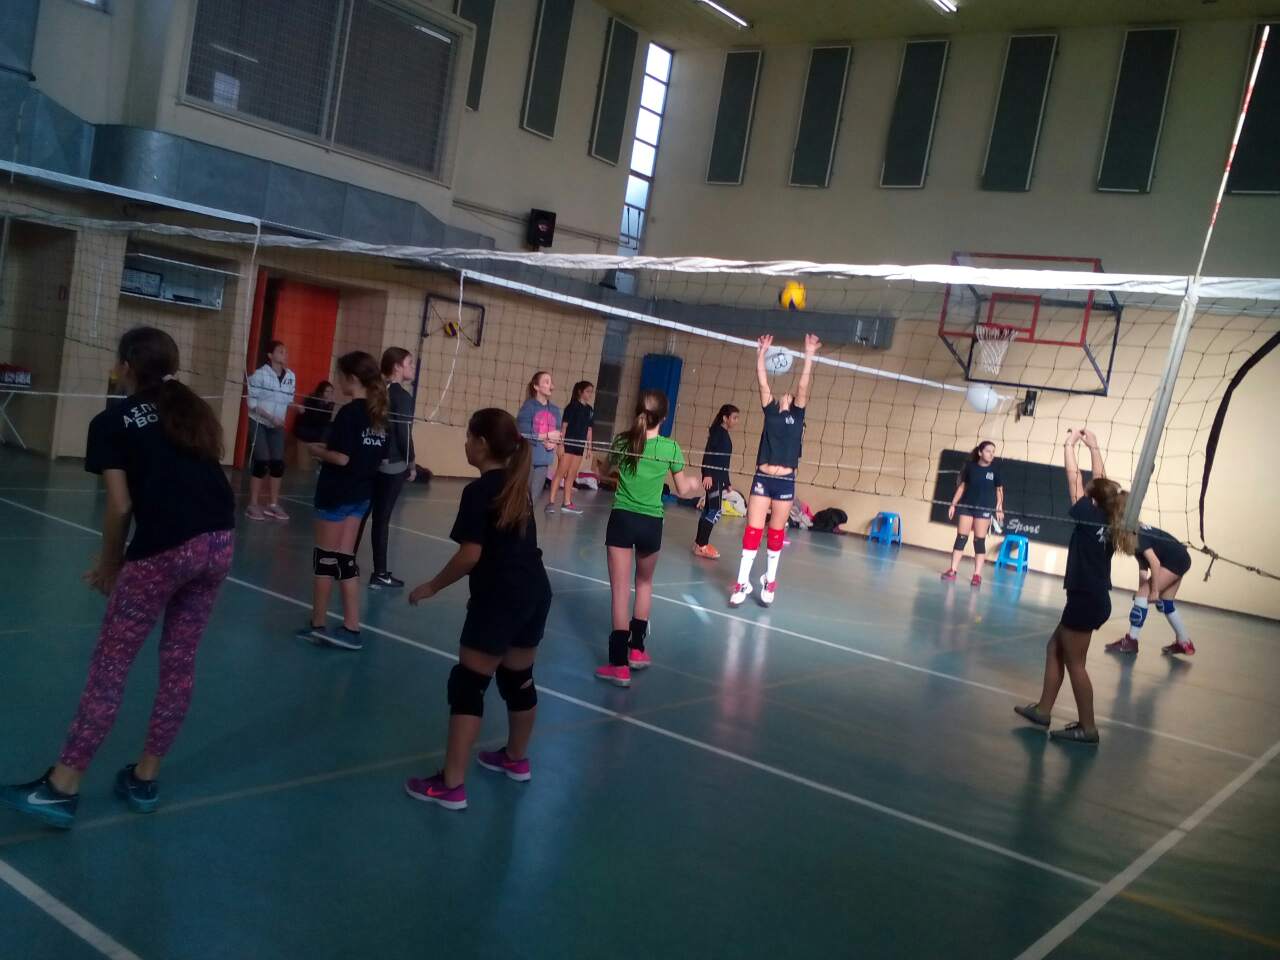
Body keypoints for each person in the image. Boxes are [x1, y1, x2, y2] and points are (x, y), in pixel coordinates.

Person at [0, 327, 235, 828]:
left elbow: (121, 505)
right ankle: (144, 778)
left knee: (112, 664)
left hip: (166, 548)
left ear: (125, 366)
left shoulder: (111, 421)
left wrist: (111, 564)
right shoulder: (191, 407)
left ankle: (62, 787)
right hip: (219, 541)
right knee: (179, 663)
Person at [404, 409, 552, 811]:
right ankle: (516, 759)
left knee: (468, 685)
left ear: (482, 444)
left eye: (469, 437)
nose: (465, 444)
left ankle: (451, 785)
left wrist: (432, 586)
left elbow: (471, 555)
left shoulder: (479, 491)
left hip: (500, 597)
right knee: (519, 680)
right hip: (534, 592)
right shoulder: (517, 486)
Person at [1016, 428, 1135, 744]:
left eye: (1088, 492)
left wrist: (1069, 445)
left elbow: (1073, 480)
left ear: (1092, 499)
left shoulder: (1087, 515)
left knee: (1076, 664)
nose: (1083, 491)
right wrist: (1093, 447)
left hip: (1085, 599)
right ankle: (1043, 710)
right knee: (1054, 648)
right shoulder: (1109, 517)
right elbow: (1101, 483)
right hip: (1092, 598)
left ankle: (1088, 728)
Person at [595, 390, 703, 687]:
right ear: (664, 418)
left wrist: (599, 466)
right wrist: (695, 482)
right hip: (650, 524)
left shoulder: (622, 441)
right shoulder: (670, 448)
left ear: (637, 412)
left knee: (620, 591)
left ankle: (619, 665)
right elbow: (683, 490)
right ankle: (637, 651)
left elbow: (604, 472)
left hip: (622, 520)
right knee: (643, 584)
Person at [296, 352, 388, 651]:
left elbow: (342, 457)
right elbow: (375, 457)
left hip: (336, 494)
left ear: (352, 378)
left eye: (339, 375)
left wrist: (317, 451)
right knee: (345, 560)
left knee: (325, 560)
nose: (337, 381)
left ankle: (317, 624)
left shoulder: (349, 413)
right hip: (360, 496)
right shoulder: (379, 414)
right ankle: (351, 627)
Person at [730, 334, 821, 607]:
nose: (786, 394)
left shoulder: (798, 414)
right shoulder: (770, 411)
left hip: (784, 482)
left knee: (776, 533)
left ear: (792, 401)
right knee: (752, 531)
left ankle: (770, 580)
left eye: (790, 395)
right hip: (762, 478)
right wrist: (761, 353)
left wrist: (809, 354)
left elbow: (803, 385)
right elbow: (762, 382)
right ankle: (742, 582)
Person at [356, 347, 417, 590]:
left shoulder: (374, 390)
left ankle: (346, 561)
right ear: (397, 367)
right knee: (381, 520)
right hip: (392, 465)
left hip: (371, 460)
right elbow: (403, 433)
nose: (412, 367)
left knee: (361, 514)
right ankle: (380, 573)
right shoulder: (402, 397)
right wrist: (411, 462)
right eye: (409, 363)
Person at [1105, 523, 1194, 656]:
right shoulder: (1134, 533)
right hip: (1181, 558)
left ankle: (1131, 641)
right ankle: (1184, 642)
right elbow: (1143, 566)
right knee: (1166, 603)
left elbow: (1154, 563)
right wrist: (1141, 590)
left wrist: (1153, 592)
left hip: (1174, 561)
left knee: (1143, 595)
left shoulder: (1135, 536)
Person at [246, 340, 301, 521]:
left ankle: (273, 505)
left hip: (277, 425)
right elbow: (252, 404)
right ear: (270, 355)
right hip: (260, 422)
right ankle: (253, 504)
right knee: (262, 461)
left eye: (285, 351)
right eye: (280, 351)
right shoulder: (259, 375)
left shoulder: (290, 376)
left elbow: (287, 399)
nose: (284, 354)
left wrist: (296, 406)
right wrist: (271, 418)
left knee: (278, 464)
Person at [941, 441, 1005, 586]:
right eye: (988, 451)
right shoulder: (970, 467)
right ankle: (952, 570)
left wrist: (999, 507)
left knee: (979, 541)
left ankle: (977, 575)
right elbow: (962, 487)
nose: (991, 454)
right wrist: (953, 504)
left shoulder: (995, 470)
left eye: (993, 452)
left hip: (984, 509)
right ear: (980, 452)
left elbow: (999, 490)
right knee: (961, 538)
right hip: (967, 507)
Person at [693, 404, 740, 559]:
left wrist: (727, 482)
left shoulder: (723, 434)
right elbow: (708, 454)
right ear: (725, 418)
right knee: (716, 511)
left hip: (719, 479)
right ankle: (702, 546)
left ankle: (699, 544)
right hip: (712, 478)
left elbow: (723, 462)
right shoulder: (717, 433)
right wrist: (707, 474)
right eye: (734, 417)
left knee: (708, 510)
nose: (736, 421)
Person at [517, 371, 562, 511]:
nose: (551, 386)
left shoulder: (555, 410)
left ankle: (526, 521)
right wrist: (546, 435)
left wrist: (554, 442)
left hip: (543, 460)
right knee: (521, 498)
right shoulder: (529, 407)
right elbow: (523, 432)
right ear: (536, 386)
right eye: (546, 382)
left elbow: (558, 433)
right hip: (528, 459)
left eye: (551, 382)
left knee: (533, 500)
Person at [549, 380, 594, 515]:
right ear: (580, 392)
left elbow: (589, 429)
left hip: (579, 447)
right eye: (587, 391)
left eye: (591, 392)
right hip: (568, 444)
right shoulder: (572, 406)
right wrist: (561, 445)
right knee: (560, 473)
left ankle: (567, 503)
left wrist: (589, 448)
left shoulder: (590, 410)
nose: (590, 394)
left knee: (572, 475)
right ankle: (551, 502)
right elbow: (564, 427)